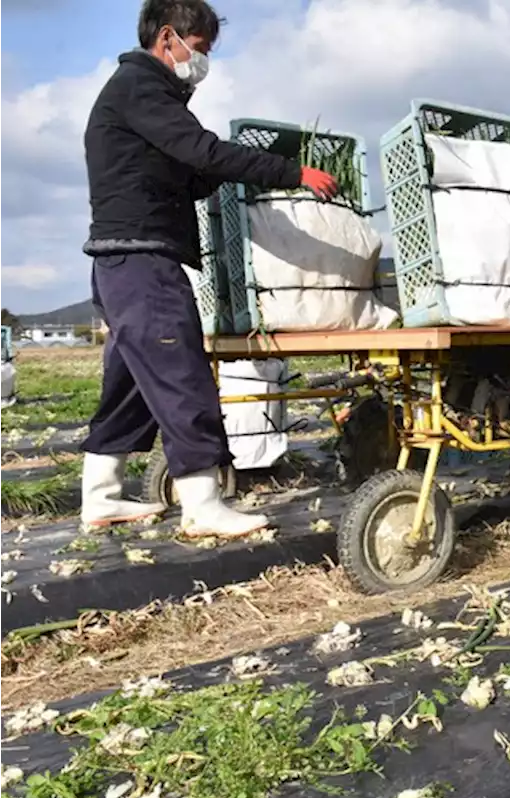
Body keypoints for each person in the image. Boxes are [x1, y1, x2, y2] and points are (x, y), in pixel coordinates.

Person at [79, 0, 338, 538]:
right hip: (141, 259)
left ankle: (100, 497)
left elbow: (195, 171)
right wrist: (293, 171)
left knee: (129, 385)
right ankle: (202, 501)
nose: (203, 62)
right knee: (182, 376)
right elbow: (203, 152)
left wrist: (222, 168)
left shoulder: (152, 97)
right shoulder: (141, 87)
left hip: (121, 260)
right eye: (200, 50)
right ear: (168, 37)